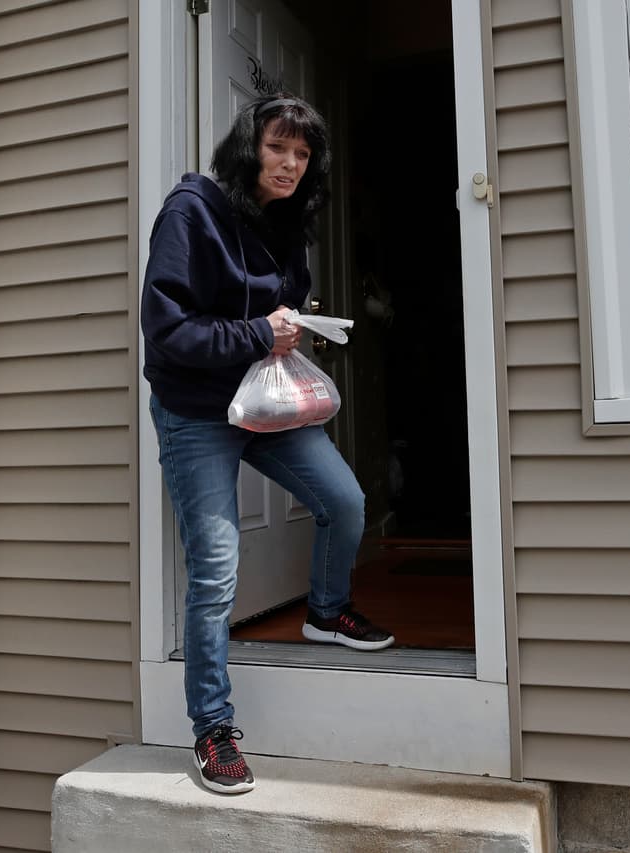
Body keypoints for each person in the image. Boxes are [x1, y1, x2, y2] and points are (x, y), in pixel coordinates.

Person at [141, 94, 394, 795]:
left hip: (264, 399)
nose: (289, 164)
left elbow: (281, 306)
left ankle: (324, 608)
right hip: (196, 408)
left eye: (303, 154)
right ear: (250, 147)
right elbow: (165, 330)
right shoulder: (190, 210)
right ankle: (212, 728)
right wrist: (260, 332)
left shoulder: (290, 225)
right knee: (217, 564)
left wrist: (289, 328)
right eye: (278, 147)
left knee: (345, 501)